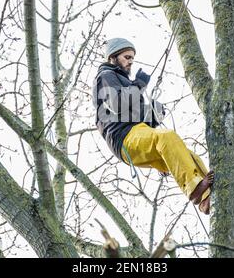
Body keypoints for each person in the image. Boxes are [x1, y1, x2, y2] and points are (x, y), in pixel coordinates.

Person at [92, 38, 214, 214]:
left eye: (132, 58)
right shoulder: (106, 76)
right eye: (127, 57)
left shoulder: (125, 83)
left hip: (135, 133)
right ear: (113, 57)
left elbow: (130, 112)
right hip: (124, 137)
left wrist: (153, 112)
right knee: (166, 137)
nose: (130, 62)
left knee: (189, 156)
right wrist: (139, 85)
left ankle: (206, 199)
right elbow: (118, 104)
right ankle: (195, 189)